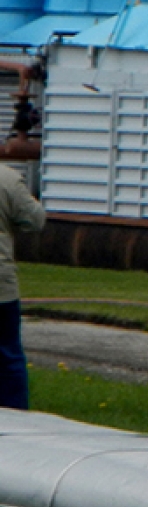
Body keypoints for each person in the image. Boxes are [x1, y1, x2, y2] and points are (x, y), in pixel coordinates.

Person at [0, 162, 45, 411]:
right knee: (7, 355)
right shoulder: (7, 179)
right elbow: (35, 220)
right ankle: (15, 418)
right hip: (1, 285)